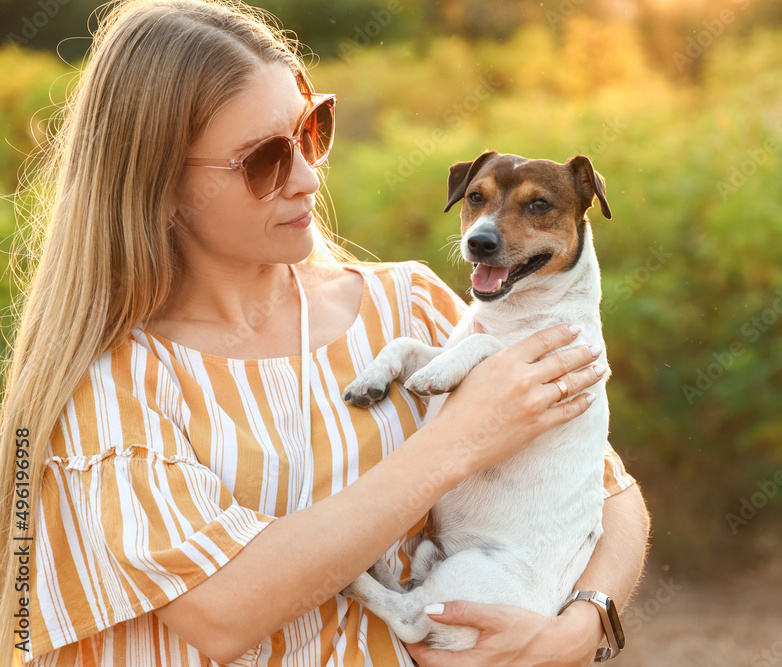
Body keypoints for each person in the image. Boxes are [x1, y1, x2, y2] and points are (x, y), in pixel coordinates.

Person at [0, 0, 651, 664]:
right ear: (158, 182)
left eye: (313, 129)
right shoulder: (113, 384)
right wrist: (461, 438)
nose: (310, 177)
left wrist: (578, 628)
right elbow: (224, 611)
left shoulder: (412, 305)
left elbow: (612, 495)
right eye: (263, 160)